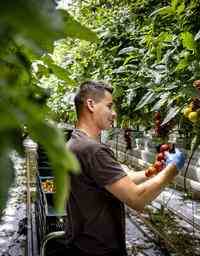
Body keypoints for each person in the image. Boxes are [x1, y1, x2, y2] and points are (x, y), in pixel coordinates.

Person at [65, 80, 185, 256]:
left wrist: (151, 171)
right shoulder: (93, 150)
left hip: (82, 244)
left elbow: (118, 180)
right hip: (100, 249)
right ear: (90, 104)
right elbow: (136, 199)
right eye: (109, 106)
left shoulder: (74, 143)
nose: (114, 114)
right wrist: (172, 169)